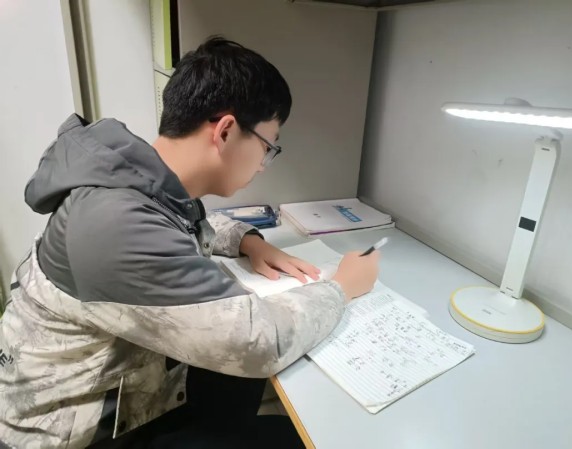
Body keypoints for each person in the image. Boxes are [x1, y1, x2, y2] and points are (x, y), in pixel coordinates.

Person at [0, 37, 379, 449]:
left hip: (113, 397)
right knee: (288, 436)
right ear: (226, 131)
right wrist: (341, 287)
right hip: (69, 437)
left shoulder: (133, 180)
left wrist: (249, 241)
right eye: (268, 147)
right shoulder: (115, 224)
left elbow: (186, 220)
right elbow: (259, 343)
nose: (263, 165)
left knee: (238, 389)